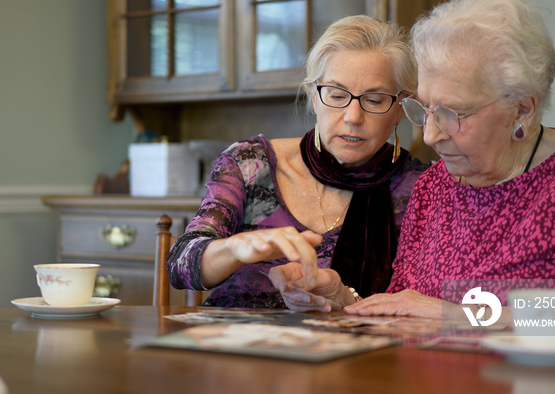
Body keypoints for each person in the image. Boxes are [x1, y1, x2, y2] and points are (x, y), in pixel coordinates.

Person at [269, 0, 555, 317]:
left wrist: (465, 317)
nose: (430, 134)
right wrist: (342, 299)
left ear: (521, 109)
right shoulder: (432, 187)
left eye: (453, 113)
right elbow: (407, 312)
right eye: (425, 108)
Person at [167, 15, 428, 308]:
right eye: (336, 95)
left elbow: (461, 309)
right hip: (236, 346)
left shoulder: (423, 187)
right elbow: (180, 267)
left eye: (375, 100)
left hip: (357, 352)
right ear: (313, 97)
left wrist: (346, 301)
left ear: (399, 108)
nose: (353, 117)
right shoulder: (251, 164)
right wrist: (234, 247)